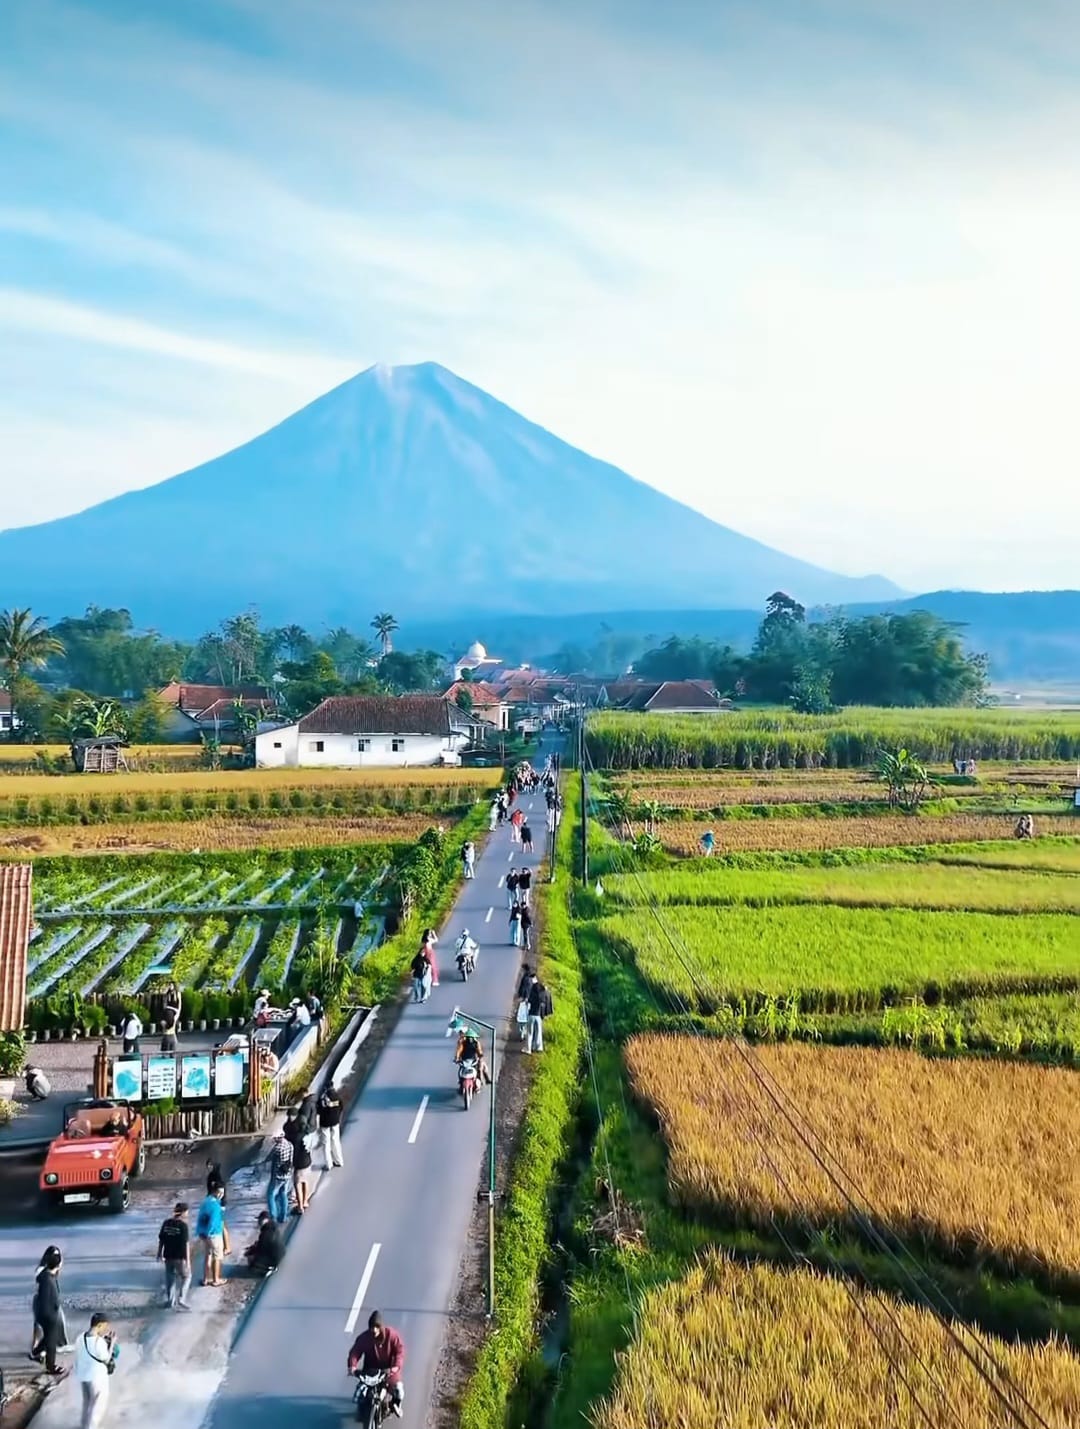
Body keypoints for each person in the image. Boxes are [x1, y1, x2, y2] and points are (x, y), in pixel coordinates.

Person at [347, 1310, 405, 1418]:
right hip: (370, 1371)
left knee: (399, 1391)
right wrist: (352, 1366)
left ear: (381, 1327)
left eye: (377, 1327)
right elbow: (355, 1352)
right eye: (372, 1327)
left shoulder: (392, 1335)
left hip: (389, 1370)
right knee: (361, 1394)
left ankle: (395, 1405)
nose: (374, 1330)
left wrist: (396, 1366)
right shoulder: (365, 1338)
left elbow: (399, 1351)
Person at [74, 1313, 117, 1429]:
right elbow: (107, 1359)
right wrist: (112, 1343)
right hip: (97, 1379)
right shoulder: (99, 1342)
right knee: (97, 1405)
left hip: (83, 1377)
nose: (106, 1329)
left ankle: (84, 1425)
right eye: (105, 1327)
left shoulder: (80, 1338)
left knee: (87, 1403)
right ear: (99, 1325)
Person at [30, 1246, 66, 1376]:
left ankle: (36, 1350)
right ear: (58, 1264)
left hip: (45, 1313)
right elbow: (46, 1300)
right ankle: (50, 1367)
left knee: (50, 1337)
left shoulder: (46, 1274)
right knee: (51, 1342)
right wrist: (51, 1317)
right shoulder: (47, 1279)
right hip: (48, 1315)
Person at [157, 1202, 191, 1311]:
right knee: (187, 1276)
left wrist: (159, 1253)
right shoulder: (183, 1226)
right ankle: (181, 1298)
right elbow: (186, 1244)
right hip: (180, 1257)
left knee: (170, 1278)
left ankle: (170, 1301)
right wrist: (188, 1261)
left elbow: (161, 1240)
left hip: (168, 1256)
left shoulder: (166, 1223)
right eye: (187, 1212)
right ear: (183, 1212)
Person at [194, 1185, 229, 1287]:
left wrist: (201, 1233)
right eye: (219, 1193)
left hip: (204, 1233)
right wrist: (210, 1234)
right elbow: (213, 1222)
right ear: (214, 1191)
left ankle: (205, 1279)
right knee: (217, 1257)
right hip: (214, 1235)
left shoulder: (206, 1202)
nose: (221, 1195)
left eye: (222, 1193)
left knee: (208, 1255)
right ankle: (216, 1279)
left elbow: (201, 1218)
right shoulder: (215, 1207)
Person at [285, 1109, 312, 1213]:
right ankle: (305, 1201)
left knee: (297, 1183)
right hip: (307, 1159)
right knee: (305, 1181)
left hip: (299, 1161)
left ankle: (300, 1206)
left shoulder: (294, 1134)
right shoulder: (306, 1132)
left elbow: (293, 1148)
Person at [264, 1131, 294, 1224]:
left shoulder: (277, 1148)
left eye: (275, 1138)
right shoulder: (290, 1145)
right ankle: (283, 1216)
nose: (274, 1140)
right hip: (288, 1175)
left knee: (270, 1195)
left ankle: (273, 1217)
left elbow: (268, 1158)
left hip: (278, 1176)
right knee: (283, 1194)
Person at [244, 1211, 284, 1277]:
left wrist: (250, 1251)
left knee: (252, 1264)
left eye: (260, 1219)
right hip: (280, 1252)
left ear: (265, 1220)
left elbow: (261, 1248)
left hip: (274, 1257)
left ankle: (268, 1268)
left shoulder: (266, 1232)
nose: (258, 1222)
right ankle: (269, 1265)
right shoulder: (273, 1227)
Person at [317, 1085, 344, 1169]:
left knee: (326, 1144)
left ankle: (329, 1164)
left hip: (325, 1124)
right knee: (336, 1141)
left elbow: (319, 1110)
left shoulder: (323, 1098)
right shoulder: (337, 1096)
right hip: (335, 1122)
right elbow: (341, 1107)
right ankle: (339, 1161)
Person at [526, 977, 554, 1054]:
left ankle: (528, 1049)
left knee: (530, 1033)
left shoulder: (532, 996)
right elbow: (546, 993)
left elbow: (528, 1002)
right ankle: (539, 1047)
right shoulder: (541, 997)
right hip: (538, 1017)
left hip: (531, 1016)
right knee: (538, 1033)